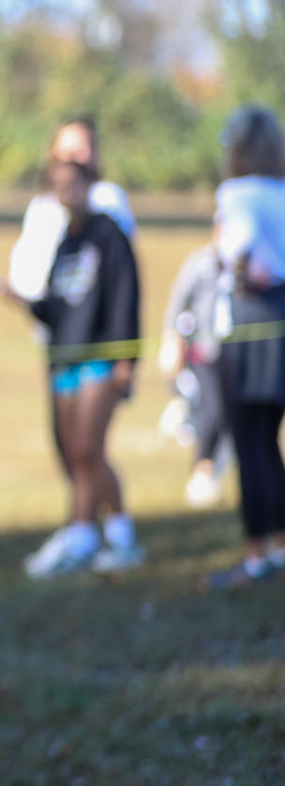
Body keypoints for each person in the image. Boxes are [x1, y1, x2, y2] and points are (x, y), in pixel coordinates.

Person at [0, 158, 142, 578]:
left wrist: (125, 358)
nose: (67, 192)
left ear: (89, 184)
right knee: (74, 452)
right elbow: (58, 308)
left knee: (89, 449)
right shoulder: (66, 241)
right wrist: (23, 301)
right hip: (65, 359)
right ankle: (93, 533)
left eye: (73, 184)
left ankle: (109, 534)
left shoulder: (109, 234)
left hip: (99, 356)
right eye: (58, 186)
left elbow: (126, 296)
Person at [203, 106, 285, 590]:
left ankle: (256, 554)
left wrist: (233, 265)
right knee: (270, 442)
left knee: (250, 442)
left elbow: (237, 247)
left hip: (251, 321)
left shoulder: (236, 193)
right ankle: (278, 546)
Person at [161, 229, 228, 507]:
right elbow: (177, 306)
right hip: (203, 353)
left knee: (228, 417)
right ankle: (203, 471)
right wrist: (172, 345)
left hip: (237, 355)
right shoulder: (200, 263)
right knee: (212, 411)